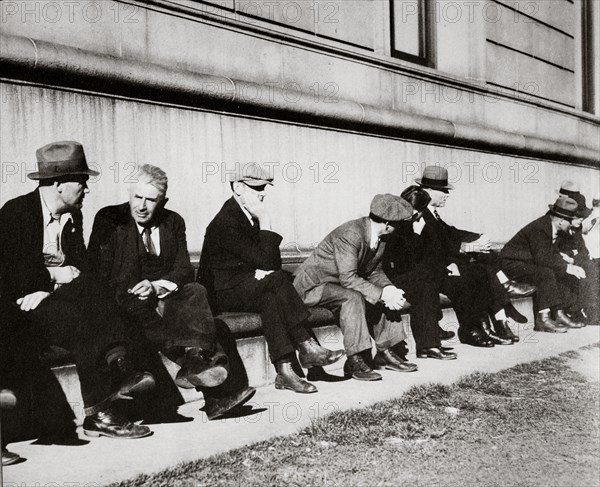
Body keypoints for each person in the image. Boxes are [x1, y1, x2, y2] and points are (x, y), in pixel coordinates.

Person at [0, 141, 155, 439]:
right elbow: (7, 274)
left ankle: (110, 389)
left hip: (58, 304)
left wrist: (53, 287)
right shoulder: (15, 214)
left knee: (92, 291)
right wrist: (51, 276)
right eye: (81, 181)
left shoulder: (75, 217)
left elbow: (82, 270)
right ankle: (115, 381)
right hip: (22, 313)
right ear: (58, 184)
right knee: (88, 311)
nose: (86, 189)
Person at [88, 164, 256, 420]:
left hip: (163, 296)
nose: (141, 206)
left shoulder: (173, 222)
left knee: (196, 291)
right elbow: (99, 273)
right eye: (137, 197)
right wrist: (140, 289)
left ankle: (196, 362)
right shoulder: (110, 219)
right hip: (124, 300)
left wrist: (156, 287)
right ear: (129, 193)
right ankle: (212, 392)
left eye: (150, 200)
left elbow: (183, 270)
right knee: (197, 330)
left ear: (163, 201)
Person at [198, 165, 344, 394]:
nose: (262, 192)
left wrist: (261, 269)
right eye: (256, 187)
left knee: (270, 299)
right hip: (222, 292)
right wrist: (266, 220)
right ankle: (307, 346)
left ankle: (284, 371)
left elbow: (269, 263)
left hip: (245, 284)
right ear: (237, 188)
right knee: (275, 281)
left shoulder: (247, 215)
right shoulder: (227, 220)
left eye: (264, 187)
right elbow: (267, 264)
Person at [294, 193, 440, 382]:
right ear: (387, 224)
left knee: (381, 294)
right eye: (399, 223)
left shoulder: (381, 237)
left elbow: (374, 272)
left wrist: (389, 289)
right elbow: (348, 279)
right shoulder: (351, 234)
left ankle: (386, 352)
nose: (401, 228)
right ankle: (356, 359)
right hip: (311, 287)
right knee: (352, 297)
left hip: (335, 285)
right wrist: (382, 294)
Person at [411, 166, 532, 347]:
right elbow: (431, 248)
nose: (447, 195)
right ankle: (489, 321)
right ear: (427, 191)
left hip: (443, 264)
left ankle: (489, 325)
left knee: (482, 267)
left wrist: (477, 237)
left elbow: (451, 232)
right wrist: (466, 247)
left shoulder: (432, 213)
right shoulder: (419, 213)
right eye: (443, 191)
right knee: (476, 275)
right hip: (430, 270)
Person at [383, 185, 458, 359]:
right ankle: (428, 345)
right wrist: (416, 234)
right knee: (424, 284)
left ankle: (429, 344)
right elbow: (403, 258)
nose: (413, 215)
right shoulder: (397, 223)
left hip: (405, 275)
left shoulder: (410, 222)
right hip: (389, 278)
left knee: (427, 280)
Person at [500, 197, 586, 332]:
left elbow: (549, 255)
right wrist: (567, 267)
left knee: (557, 270)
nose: (571, 225)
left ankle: (559, 313)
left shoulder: (553, 228)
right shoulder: (540, 228)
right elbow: (542, 258)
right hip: (511, 264)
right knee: (545, 273)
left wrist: (568, 266)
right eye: (570, 221)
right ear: (561, 220)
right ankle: (543, 320)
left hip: (527, 263)